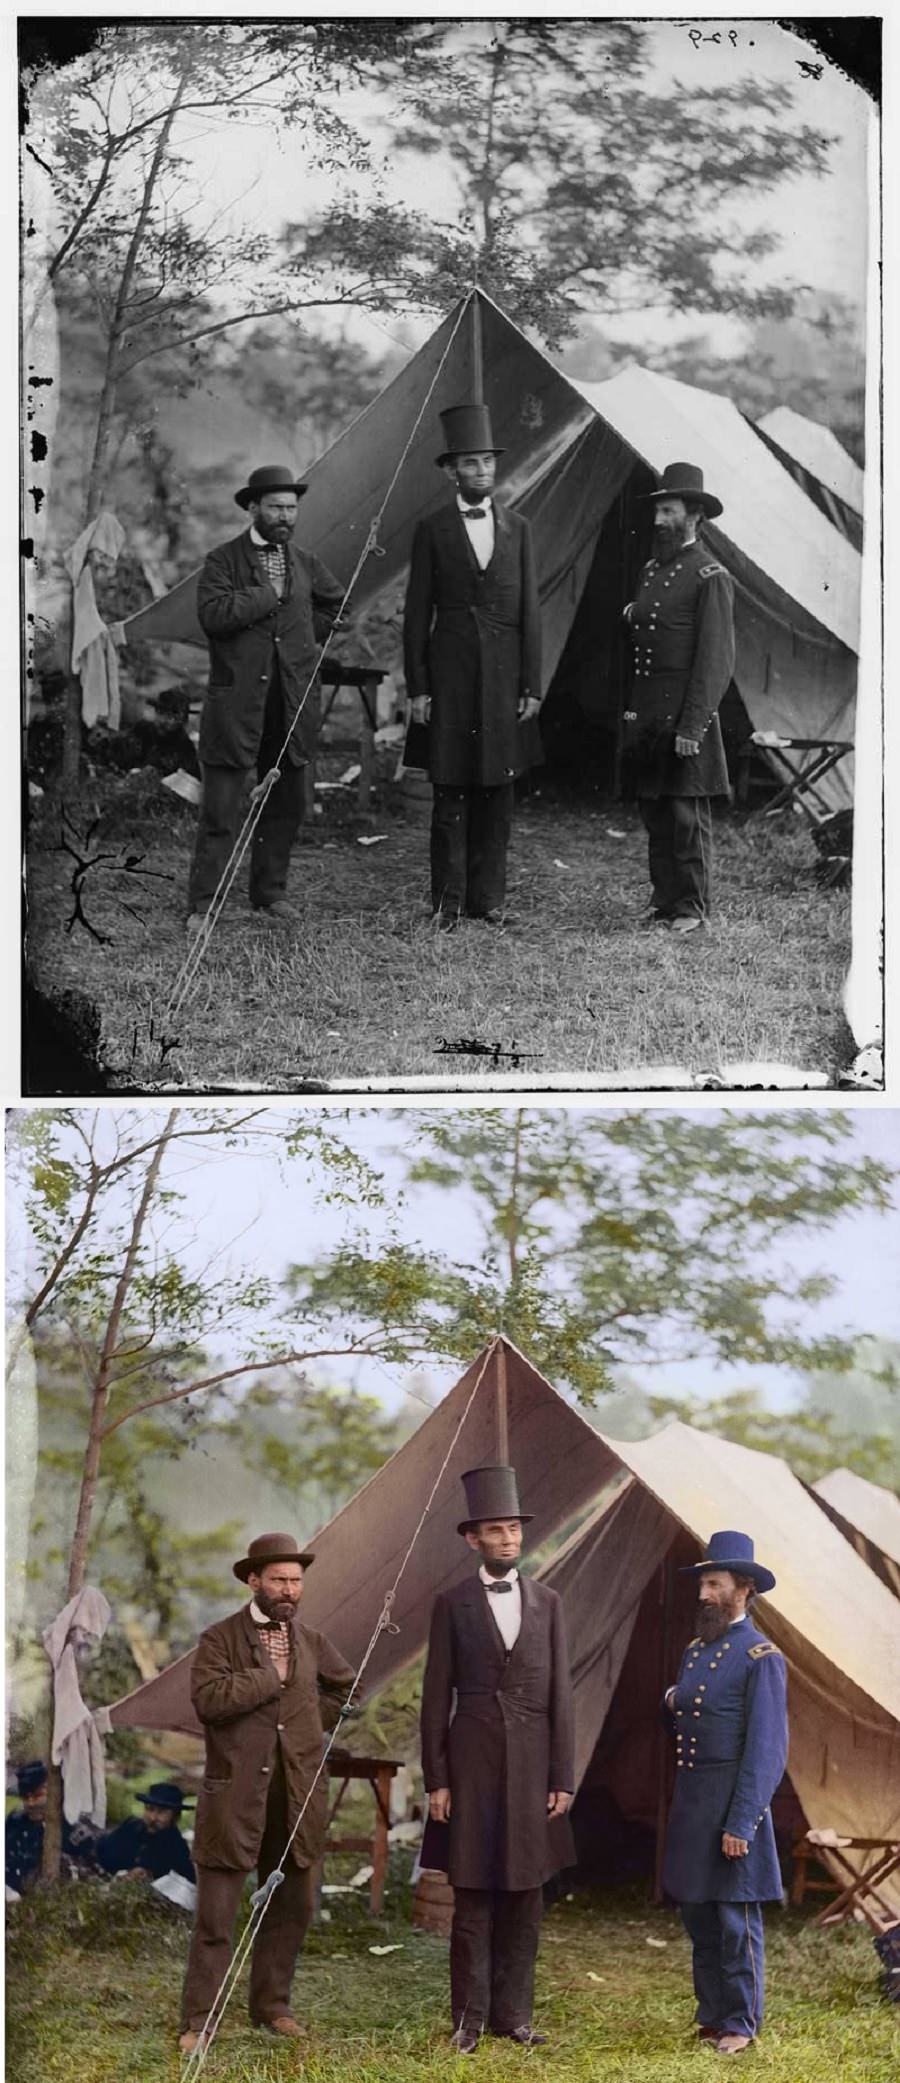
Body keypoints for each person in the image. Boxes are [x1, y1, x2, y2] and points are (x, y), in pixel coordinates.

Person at [178, 1532, 355, 2055]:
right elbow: (208, 1700)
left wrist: (304, 1721)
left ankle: (272, 2006)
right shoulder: (218, 1639)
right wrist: (268, 1678)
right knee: (216, 1916)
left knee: (291, 1907)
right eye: (278, 1579)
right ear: (253, 1580)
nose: (288, 1590)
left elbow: (347, 1688)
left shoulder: (314, 1641)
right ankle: (198, 2021)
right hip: (233, 1800)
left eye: (296, 1581)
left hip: (296, 1797)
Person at [420, 1465, 575, 2054]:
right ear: (473, 1539)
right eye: (496, 1530)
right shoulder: (452, 1604)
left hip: (535, 1768)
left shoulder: (550, 1602)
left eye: (514, 1528)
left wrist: (563, 1775)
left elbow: (563, 1693)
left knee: (525, 1898)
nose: (509, 1539)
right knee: (474, 1897)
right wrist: (438, 1778)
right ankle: (469, 2020)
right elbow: (437, 1696)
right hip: (472, 1765)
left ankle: (515, 2016)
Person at [186, 463, 345, 935]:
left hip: (290, 702)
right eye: (275, 507)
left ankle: (269, 892)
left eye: (291, 508)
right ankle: (203, 904)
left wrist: (302, 637)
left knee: (286, 803)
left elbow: (337, 605)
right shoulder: (222, 561)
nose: (285, 516)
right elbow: (212, 615)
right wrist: (266, 595)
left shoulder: (306, 561)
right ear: (252, 508)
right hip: (237, 705)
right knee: (222, 807)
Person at [403, 403, 542, 931]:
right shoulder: (432, 530)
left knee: (498, 790)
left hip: (506, 679)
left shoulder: (520, 528)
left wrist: (532, 683)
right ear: (451, 471)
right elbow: (417, 615)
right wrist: (418, 686)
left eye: (488, 462)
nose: (482, 471)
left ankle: (490, 900)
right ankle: (447, 902)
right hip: (450, 675)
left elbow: (531, 610)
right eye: (471, 463)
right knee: (451, 788)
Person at [662, 1530, 788, 2056]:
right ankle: (712, 2014)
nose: (703, 1594)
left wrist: (742, 1822)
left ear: (744, 1590)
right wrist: (672, 1700)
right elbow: (692, 1720)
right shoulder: (696, 1651)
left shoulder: (762, 1657)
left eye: (713, 1583)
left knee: (735, 1919)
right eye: (702, 1584)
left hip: (732, 1802)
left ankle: (741, 2021)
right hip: (693, 1801)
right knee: (698, 1913)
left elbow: (767, 1750)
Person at [622, 462, 734, 934]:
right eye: (657, 511)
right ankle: (665, 899)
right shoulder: (651, 570)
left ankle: (692, 906)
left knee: (686, 813)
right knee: (655, 809)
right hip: (648, 711)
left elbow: (715, 661)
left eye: (668, 511)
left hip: (685, 711)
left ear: (694, 517)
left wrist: (693, 725)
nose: (658, 520)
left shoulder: (711, 576)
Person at [5, 1760, 86, 1894]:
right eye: (26, 1797)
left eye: (38, 1795)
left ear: (54, 1794)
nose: (31, 1803)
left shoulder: (71, 1827)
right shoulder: (15, 1821)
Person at [96, 1781, 195, 1883]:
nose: (153, 1818)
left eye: (162, 1812)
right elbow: (103, 1853)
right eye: (150, 1809)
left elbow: (186, 1884)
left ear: (175, 1817)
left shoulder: (178, 1848)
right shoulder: (130, 1827)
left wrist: (150, 1875)